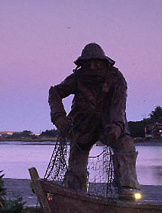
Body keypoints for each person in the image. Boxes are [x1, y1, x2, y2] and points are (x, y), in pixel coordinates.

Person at [48, 43, 140, 199]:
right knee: (77, 158)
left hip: (109, 124)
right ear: (82, 64)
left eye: (96, 62)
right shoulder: (77, 78)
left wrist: (117, 125)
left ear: (104, 62)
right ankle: (76, 193)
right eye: (88, 63)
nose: (92, 67)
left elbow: (119, 104)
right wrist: (58, 116)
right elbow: (55, 92)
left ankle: (128, 187)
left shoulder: (116, 78)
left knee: (125, 144)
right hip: (83, 124)